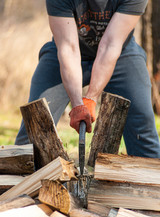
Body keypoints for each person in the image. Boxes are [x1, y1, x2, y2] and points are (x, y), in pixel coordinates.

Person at [15, 0, 160, 158]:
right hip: (65, 53)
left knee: (143, 128)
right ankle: (21, 176)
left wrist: (90, 99)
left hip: (120, 54)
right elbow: (68, 48)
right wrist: (77, 105)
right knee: (34, 123)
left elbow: (110, 44)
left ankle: (150, 177)